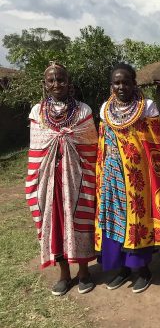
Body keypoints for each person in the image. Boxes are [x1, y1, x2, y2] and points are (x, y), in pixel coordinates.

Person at [95, 63, 160, 294]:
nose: (121, 86)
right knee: (116, 221)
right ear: (111, 86)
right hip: (112, 176)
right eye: (117, 83)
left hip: (138, 177)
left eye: (126, 82)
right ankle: (122, 269)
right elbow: (103, 143)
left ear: (134, 83)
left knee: (137, 219)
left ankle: (142, 270)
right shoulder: (104, 109)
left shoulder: (147, 107)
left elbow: (154, 142)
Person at [26, 61, 98, 296]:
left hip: (78, 177)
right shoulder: (37, 112)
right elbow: (37, 148)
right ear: (45, 84)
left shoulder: (83, 111)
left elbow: (90, 147)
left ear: (69, 83)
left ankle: (85, 271)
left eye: (61, 79)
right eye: (51, 80)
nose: (56, 84)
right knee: (55, 223)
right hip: (48, 179)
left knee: (79, 220)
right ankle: (64, 274)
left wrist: (67, 143)